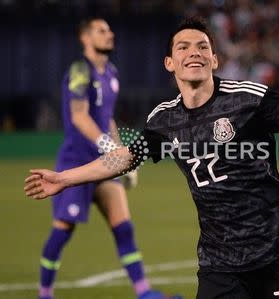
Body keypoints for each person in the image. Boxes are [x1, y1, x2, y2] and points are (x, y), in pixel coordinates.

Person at [25, 17, 279, 299]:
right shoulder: (163, 120)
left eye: (203, 46)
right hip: (219, 261)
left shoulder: (249, 98)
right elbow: (124, 158)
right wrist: (66, 178)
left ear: (215, 59)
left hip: (275, 251)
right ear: (170, 63)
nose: (194, 52)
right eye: (183, 47)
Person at [35, 17, 179, 299]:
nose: (110, 34)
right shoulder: (80, 69)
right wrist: (107, 147)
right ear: (85, 38)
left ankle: (144, 292)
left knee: (123, 227)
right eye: (102, 30)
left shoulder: (111, 73)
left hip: (103, 166)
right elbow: (79, 116)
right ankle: (44, 293)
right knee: (62, 232)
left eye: (110, 30)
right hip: (75, 163)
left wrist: (120, 154)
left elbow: (107, 118)